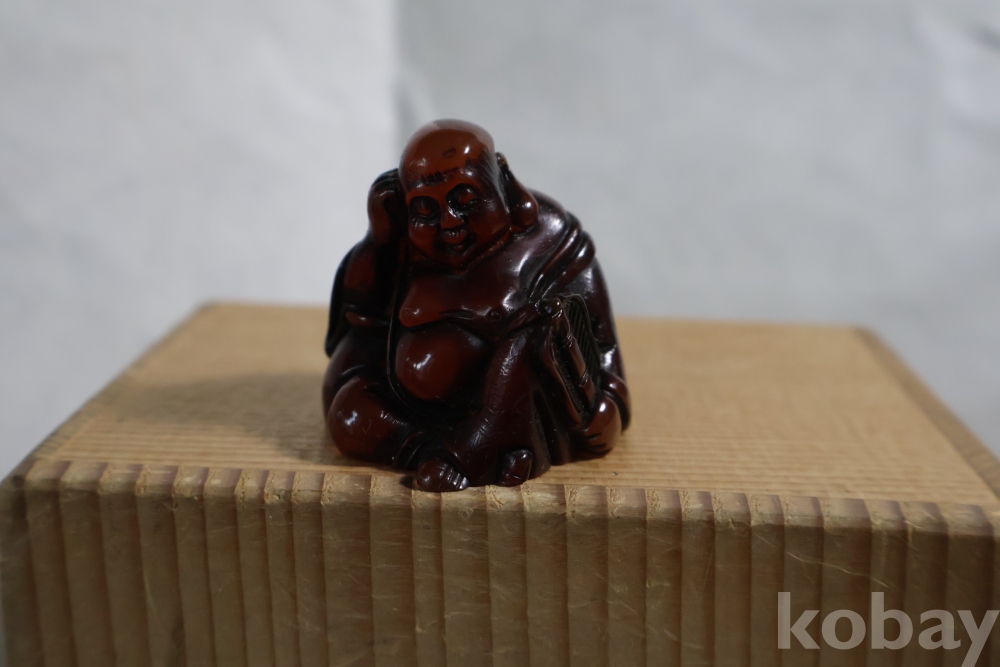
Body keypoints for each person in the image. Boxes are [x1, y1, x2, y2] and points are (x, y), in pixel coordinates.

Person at [322, 119, 630, 491]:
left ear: (500, 178)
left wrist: (611, 403)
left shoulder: (550, 240)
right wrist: (378, 240)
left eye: (465, 200)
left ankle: (476, 448)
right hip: (415, 412)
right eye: (426, 210)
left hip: (515, 397)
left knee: (535, 328)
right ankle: (472, 447)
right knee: (351, 417)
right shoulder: (402, 246)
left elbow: (602, 343)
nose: (449, 222)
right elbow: (360, 321)